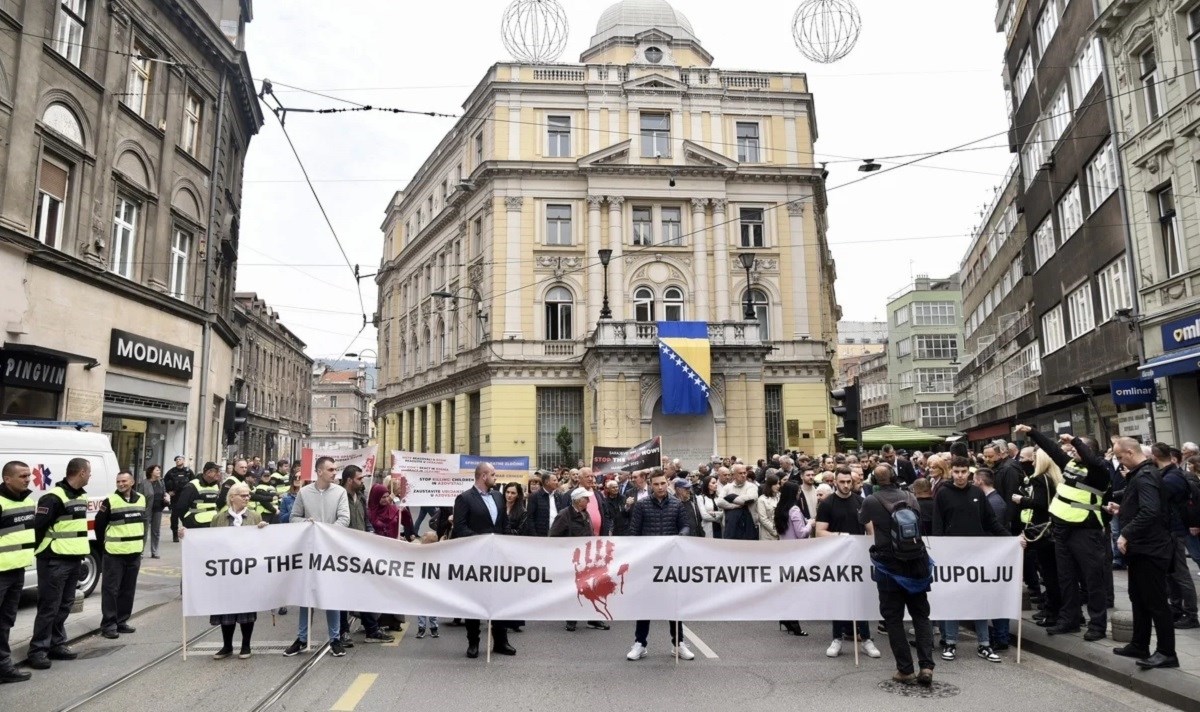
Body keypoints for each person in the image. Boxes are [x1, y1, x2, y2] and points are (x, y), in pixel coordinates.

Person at [1015, 424, 1111, 641]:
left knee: (1092, 579)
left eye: (1077, 450)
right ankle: (1070, 619)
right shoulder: (1070, 466)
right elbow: (1052, 449)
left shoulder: (1099, 473)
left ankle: (1097, 625)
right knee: (1065, 577)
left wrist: (1075, 440)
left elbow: (1092, 459)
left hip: (1086, 530)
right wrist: (1032, 432)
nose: (1072, 452)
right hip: (1062, 528)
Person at [861, 464, 935, 687]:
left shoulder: (871, 501)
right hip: (916, 564)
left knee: (893, 620)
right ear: (895, 477)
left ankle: (905, 670)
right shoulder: (911, 497)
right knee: (921, 616)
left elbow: (861, 520)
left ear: (874, 479)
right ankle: (926, 666)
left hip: (888, 567)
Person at [1109, 437, 1177, 669]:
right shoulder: (1141, 473)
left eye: (1119, 457)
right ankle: (1139, 643)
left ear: (1130, 452)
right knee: (1138, 598)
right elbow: (1141, 506)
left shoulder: (1146, 475)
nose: (1119, 463)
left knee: (1156, 602)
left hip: (1151, 550)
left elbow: (1150, 511)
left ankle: (1167, 653)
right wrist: (1121, 509)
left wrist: (1125, 533)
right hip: (1141, 549)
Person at [932, 458, 1008, 662]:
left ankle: (984, 644)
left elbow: (990, 521)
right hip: (952, 556)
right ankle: (950, 642)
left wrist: (1010, 540)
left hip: (977, 556)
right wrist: (938, 553)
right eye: (956, 471)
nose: (960, 475)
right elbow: (937, 526)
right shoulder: (943, 494)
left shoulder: (977, 494)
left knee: (979, 599)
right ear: (951, 472)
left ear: (969, 473)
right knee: (952, 600)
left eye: (963, 471)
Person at [27, 457, 92, 670]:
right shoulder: (53, 498)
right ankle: (38, 651)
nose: (90, 476)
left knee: (64, 605)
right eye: (89, 472)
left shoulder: (81, 497)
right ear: (81, 473)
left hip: (73, 559)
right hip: (54, 560)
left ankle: (56, 644)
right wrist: (44, 553)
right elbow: (38, 528)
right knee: (49, 607)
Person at [284, 456, 350, 658]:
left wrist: (326, 532)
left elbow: (344, 518)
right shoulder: (304, 492)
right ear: (319, 471)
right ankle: (302, 638)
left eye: (335, 469)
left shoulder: (340, 492)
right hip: (310, 552)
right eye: (330, 469)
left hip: (330, 550)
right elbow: (293, 517)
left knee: (332, 595)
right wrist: (306, 522)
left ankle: (335, 639)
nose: (334, 473)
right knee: (307, 594)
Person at [626, 470, 694, 661]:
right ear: (651, 485)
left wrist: (682, 535)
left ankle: (678, 643)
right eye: (656, 484)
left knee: (674, 603)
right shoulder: (641, 505)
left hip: (671, 562)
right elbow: (634, 532)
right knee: (645, 604)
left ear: (667, 483)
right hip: (648, 563)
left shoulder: (677, 504)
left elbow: (686, 525)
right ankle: (640, 643)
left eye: (663, 483)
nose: (660, 487)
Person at [815, 469, 880, 659]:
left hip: (859, 558)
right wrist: (841, 537)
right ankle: (837, 639)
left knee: (860, 599)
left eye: (848, 482)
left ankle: (867, 639)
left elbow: (871, 530)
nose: (845, 485)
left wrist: (870, 548)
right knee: (839, 598)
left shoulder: (861, 502)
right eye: (842, 481)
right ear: (835, 482)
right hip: (837, 559)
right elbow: (820, 531)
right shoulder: (827, 503)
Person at [453, 462, 514, 658]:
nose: (496, 477)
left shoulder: (498, 496)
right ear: (483, 476)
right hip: (476, 558)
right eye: (493, 474)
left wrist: (506, 543)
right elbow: (460, 528)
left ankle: (501, 641)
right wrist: (484, 540)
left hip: (497, 557)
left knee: (500, 599)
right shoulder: (464, 498)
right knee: (475, 600)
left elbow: (504, 524)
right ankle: (473, 642)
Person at [210, 482, 268, 659]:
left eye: (248, 495)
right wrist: (185, 535)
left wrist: (263, 531)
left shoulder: (255, 516)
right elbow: (209, 542)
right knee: (226, 609)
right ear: (232, 497)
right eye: (243, 495)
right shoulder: (219, 518)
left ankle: (246, 645)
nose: (247, 498)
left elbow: (264, 543)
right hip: (226, 572)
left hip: (247, 572)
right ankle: (227, 646)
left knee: (246, 610)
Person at [339, 466, 394, 645]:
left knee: (363, 589)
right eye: (359, 479)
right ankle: (343, 632)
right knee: (343, 593)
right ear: (349, 480)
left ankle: (371, 630)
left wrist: (370, 533)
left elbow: (366, 521)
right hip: (343, 552)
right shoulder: (339, 497)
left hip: (360, 551)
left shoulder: (361, 498)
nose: (362, 481)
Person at [1152, 443, 1200, 629]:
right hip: (1170, 531)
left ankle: (1190, 614)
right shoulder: (1168, 475)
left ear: (1155, 458)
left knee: (1180, 573)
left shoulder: (1172, 478)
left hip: (1175, 531)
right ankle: (1177, 609)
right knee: (1172, 573)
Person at [1013, 449, 1062, 628]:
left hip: (1043, 531)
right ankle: (1053, 609)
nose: (1032, 463)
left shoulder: (1040, 479)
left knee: (1049, 574)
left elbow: (1040, 504)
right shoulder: (1055, 478)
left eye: (1034, 459)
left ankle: (1052, 613)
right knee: (1053, 573)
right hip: (1053, 529)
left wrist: (1022, 500)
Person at [96, 471, 146, 640]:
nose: (121, 484)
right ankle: (109, 625)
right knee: (111, 590)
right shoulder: (109, 501)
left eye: (124, 481)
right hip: (114, 553)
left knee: (128, 590)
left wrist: (142, 547)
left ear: (132, 482)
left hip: (134, 553)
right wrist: (104, 547)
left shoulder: (141, 499)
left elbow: (143, 524)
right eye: (118, 481)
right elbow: (99, 526)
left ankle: (121, 621)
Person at [0, 462, 35, 683]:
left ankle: (3, 667)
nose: (27, 479)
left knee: (5, 621)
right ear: (7, 479)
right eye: (22, 476)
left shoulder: (29, 501)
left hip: (17, 571)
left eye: (29, 475)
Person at [776, 480, 810, 638]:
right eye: (797, 492)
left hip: (784, 551)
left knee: (787, 588)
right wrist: (811, 523)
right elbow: (801, 533)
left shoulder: (780, 508)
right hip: (796, 553)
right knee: (795, 589)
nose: (799, 494)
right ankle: (794, 623)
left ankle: (786, 618)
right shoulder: (794, 509)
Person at [175, 462, 222, 537]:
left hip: (212, 524)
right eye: (217, 471)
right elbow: (181, 507)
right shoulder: (192, 486)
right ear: (208, 472)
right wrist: (187, 522)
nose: (219, 473)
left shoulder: (216, 485)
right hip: (195, 525)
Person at [717, 464, 759, 540]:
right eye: (740, 473)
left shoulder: (752, 486)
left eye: (745, 473)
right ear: (734, 475)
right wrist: (734, 506)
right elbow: (719, 502)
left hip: (749, 526)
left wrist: (731, 497)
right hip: (731, 527)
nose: (743, 475)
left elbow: (748, 499)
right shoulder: (727, 487)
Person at [524, 471, 567, 537]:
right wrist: (534, 536)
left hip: (557, 535)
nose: (557, 482)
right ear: (547, 482)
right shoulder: (534, 496)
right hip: (541, 536)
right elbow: (530, 518)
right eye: (554, 480)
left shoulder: (559, 496)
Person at [415, 532, 441, 639]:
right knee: (421, 606)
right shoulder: (419, 550)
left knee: (431, 607)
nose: (422, 536)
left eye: (425, 536)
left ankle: (433, 628)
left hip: (432, 585)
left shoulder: (436, 553)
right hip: (421, 584)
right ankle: (422, 628)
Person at [138, 464, 166, 558]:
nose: (159, 472)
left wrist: (166, 499)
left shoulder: (161, 482)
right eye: (157, 470)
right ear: (151, 472)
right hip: (146, 510)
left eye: (159, 470)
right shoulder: (144, 483)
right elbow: (139, 497)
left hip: (158, 509)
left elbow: (164, 493)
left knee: (156, 531)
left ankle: (154, 551)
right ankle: (140, 551)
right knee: (144, 531)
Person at [163, 455, 193, 542]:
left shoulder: (188, 472)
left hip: (185, 497)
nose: (178, 461)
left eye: (180, 459)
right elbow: (164, 482)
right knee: (174, 516)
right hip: (175, 497)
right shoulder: (171, 472)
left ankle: (186, 533)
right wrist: (169, 492)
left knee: (185, 516)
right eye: (176, 459)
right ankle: (175, 534)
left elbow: (194, 483)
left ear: (183, 461)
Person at [756, 474, 781, 540]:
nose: (778, 486)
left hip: (781, 532)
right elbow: (763, 519)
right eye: (775, 484)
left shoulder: (780, 496)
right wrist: (775, 531)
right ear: (770, 485)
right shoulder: (762, 499)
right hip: (768, 534)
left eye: (778, 483)